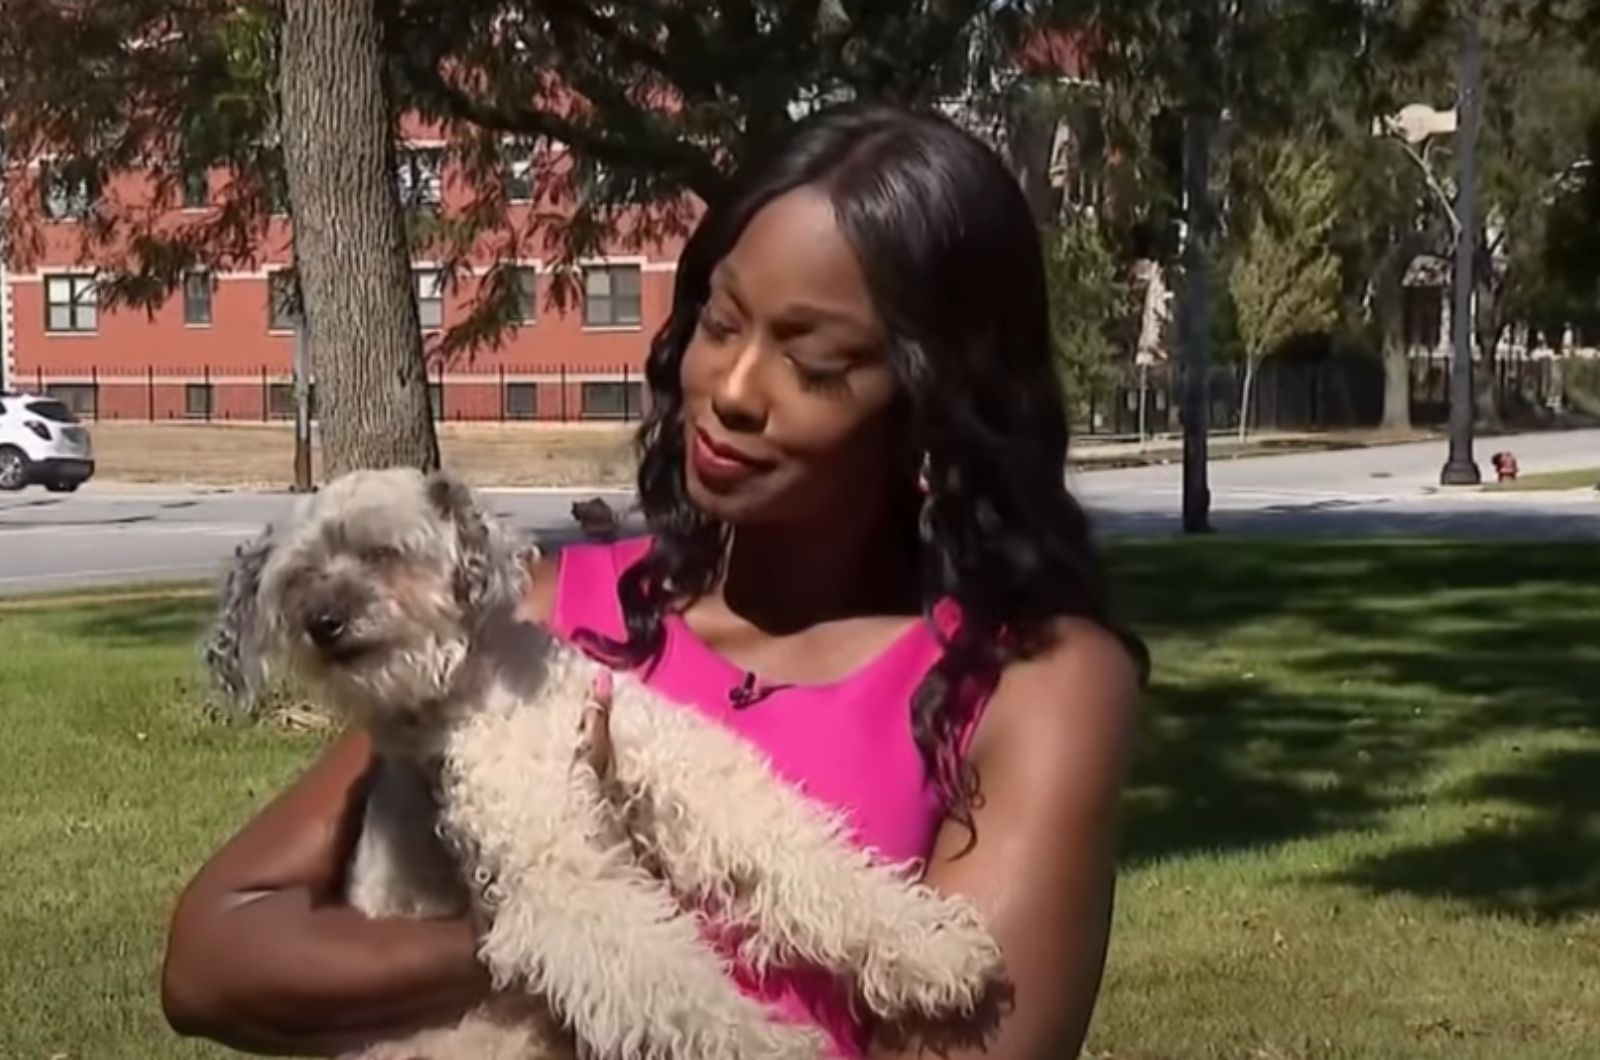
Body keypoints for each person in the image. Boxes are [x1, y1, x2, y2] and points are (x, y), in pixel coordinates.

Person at [160, 101, 1145, 1060]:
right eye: (721, 323)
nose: (732, 389)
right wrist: (533, 933)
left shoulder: (1035, 683)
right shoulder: (530, 619)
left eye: (811, 362)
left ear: (934, 403)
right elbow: (213, 956)